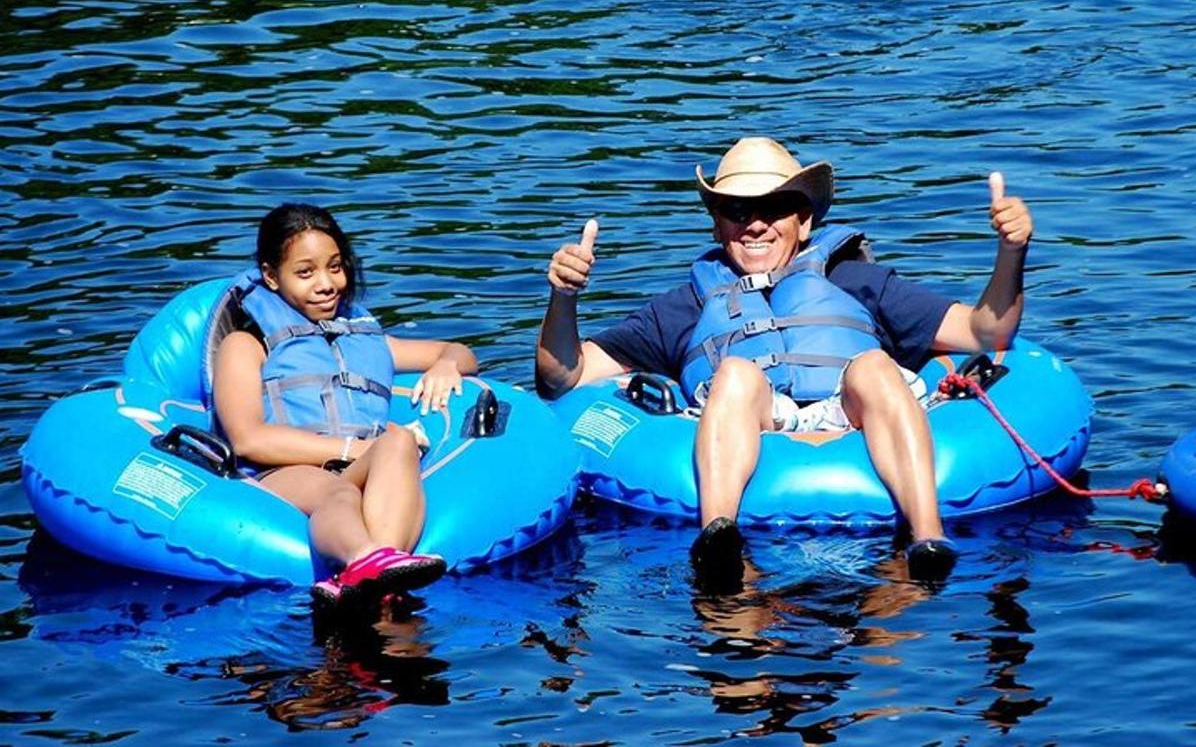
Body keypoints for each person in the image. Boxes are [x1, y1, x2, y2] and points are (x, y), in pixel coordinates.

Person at [535, 137, 1032, 588]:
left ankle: (928, 539)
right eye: (736, 209)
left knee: (875, 368)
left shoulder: (858, 282)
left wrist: (1012, 251)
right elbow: (564, 376)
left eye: (774, 208)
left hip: (852, 407)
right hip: (756, 415)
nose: (754, 223)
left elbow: (984, 331)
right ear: (716, 221)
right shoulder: (683, 307)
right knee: (734, 373)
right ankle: (718, 538)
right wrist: (563, 297)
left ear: (805, 219)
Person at [213, 203, 479, 610]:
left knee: (397, 438)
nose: (326, 284)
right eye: (305, 273)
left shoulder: (363, 339)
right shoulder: (246, 346)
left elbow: (459, 351)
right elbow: (249, 440)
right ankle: (364, 562)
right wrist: (352, 451)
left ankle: (380, 575)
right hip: (287, 472)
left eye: (335, 267)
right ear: (270, 276)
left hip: (363, 464)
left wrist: (446, 365)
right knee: (335, 491)